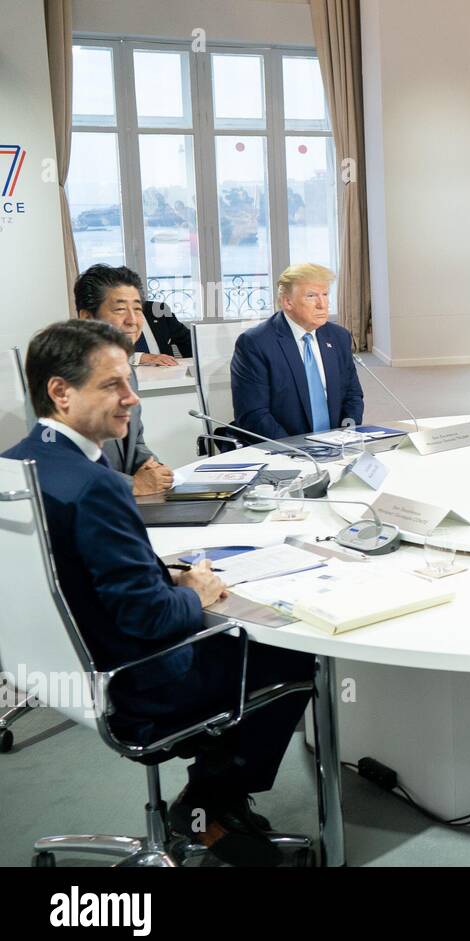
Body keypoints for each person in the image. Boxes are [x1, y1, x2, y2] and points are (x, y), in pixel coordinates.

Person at [3, 320, 314, 866]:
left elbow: (73, 574)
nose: (131, 398)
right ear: (60, 392)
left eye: (130, 381)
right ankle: (214, 800)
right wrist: (196, 593)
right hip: (137, 683)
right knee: (291, 650)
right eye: (113, 385)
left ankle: (210, 796)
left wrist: (168, 575)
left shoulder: (18, 465)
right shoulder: (97, 485)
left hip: (65, 672)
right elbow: (150, 620)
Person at [230, 263, 365, 439]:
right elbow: (253, 414)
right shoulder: (255, 343)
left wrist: (347, 433)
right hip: (285, 449)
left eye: (325, 294)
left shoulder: (339, 337)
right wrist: (296, 450)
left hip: (337, 445)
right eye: (311, 296)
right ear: (288, 302)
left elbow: (352, 395)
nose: (322, 304)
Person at [73, 264, 175, 496]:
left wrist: (153, 468)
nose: (133, 320)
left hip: (122, 505)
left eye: (137, 309)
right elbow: (62, 462)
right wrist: (133, 485)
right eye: (120, 309)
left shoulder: (125, 369)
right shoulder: (63, 378)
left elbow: (134, 441)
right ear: (87, 318)